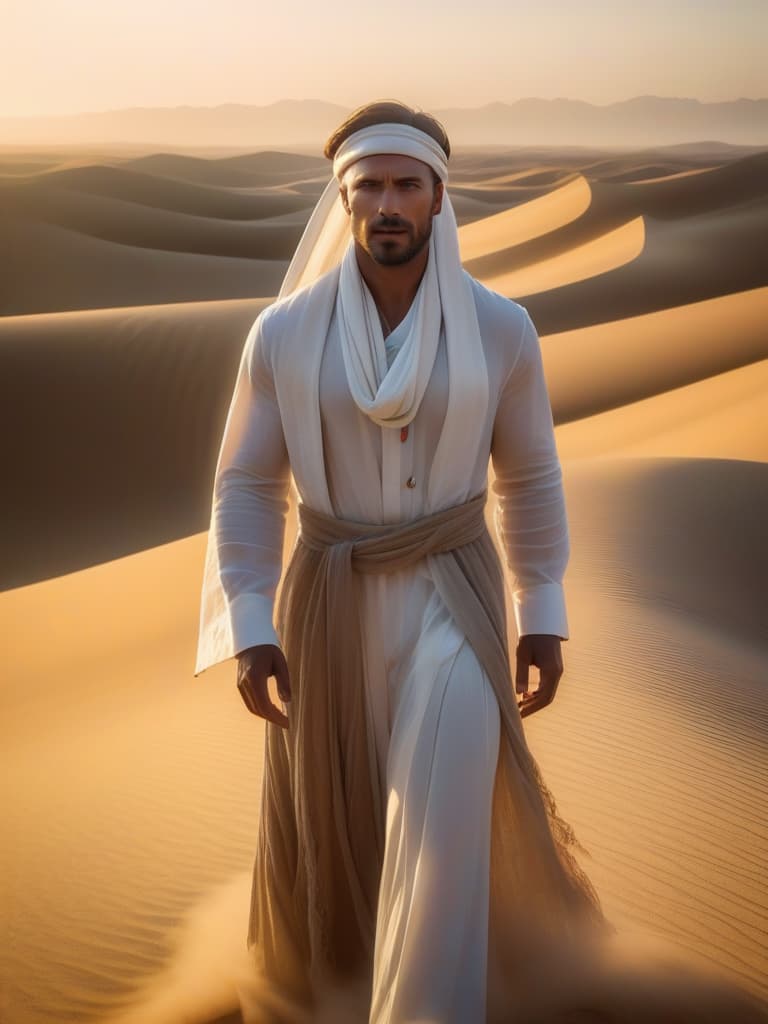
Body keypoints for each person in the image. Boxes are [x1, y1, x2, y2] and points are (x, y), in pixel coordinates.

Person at [194, 101, 765, 1024]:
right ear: (342, 201)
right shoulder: (284, 334)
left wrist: (542, 606)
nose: (387, 203)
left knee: (442, 820)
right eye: (368, 186)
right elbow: (246, 485)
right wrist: (250, 624)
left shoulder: (503, 329)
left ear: (437, 196)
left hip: (453, 595)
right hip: (328, 601)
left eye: (405, 185)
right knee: (345, 825)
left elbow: (529, 474)